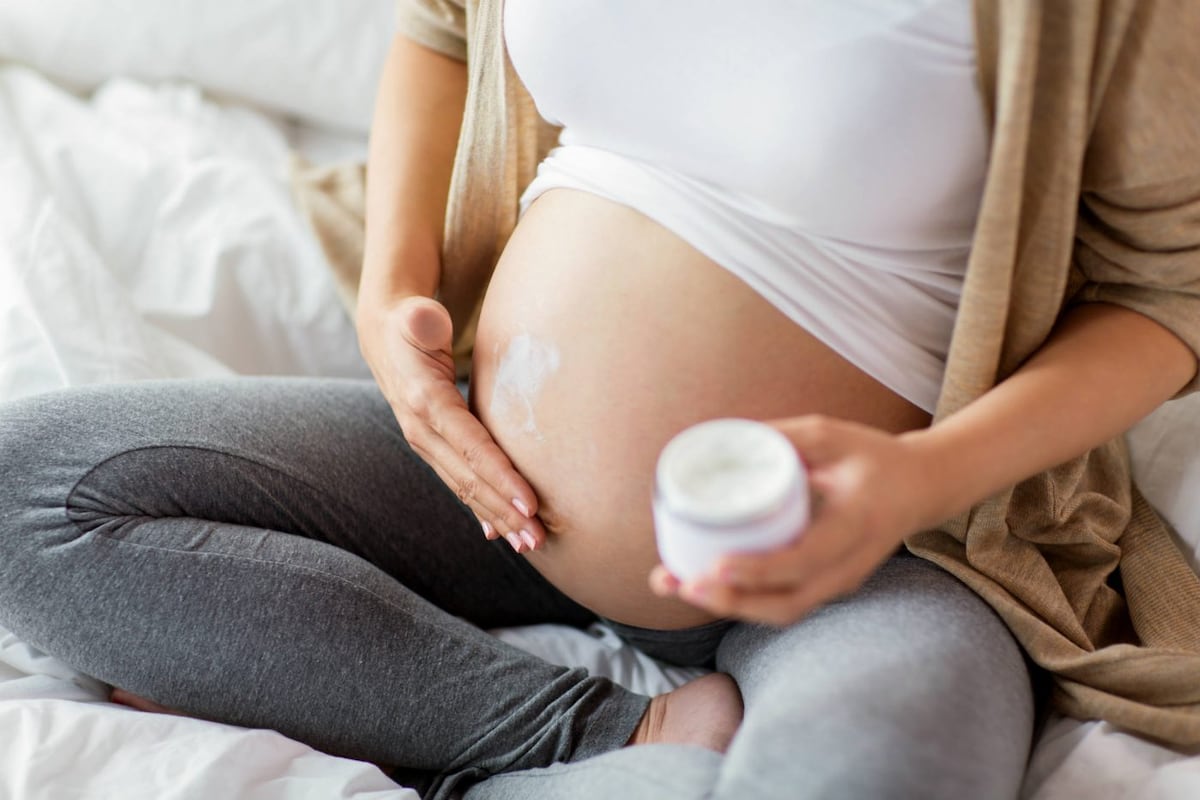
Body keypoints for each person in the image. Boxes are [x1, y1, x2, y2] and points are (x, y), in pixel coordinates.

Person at [1, 1, 1199, 799]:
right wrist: (392, 296)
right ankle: (595, 741)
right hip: (482, 480)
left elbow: (1169, 286)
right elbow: (442, 27)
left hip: (867, 550)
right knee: (32, 492)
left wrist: (920, 478)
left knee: (875, 773)